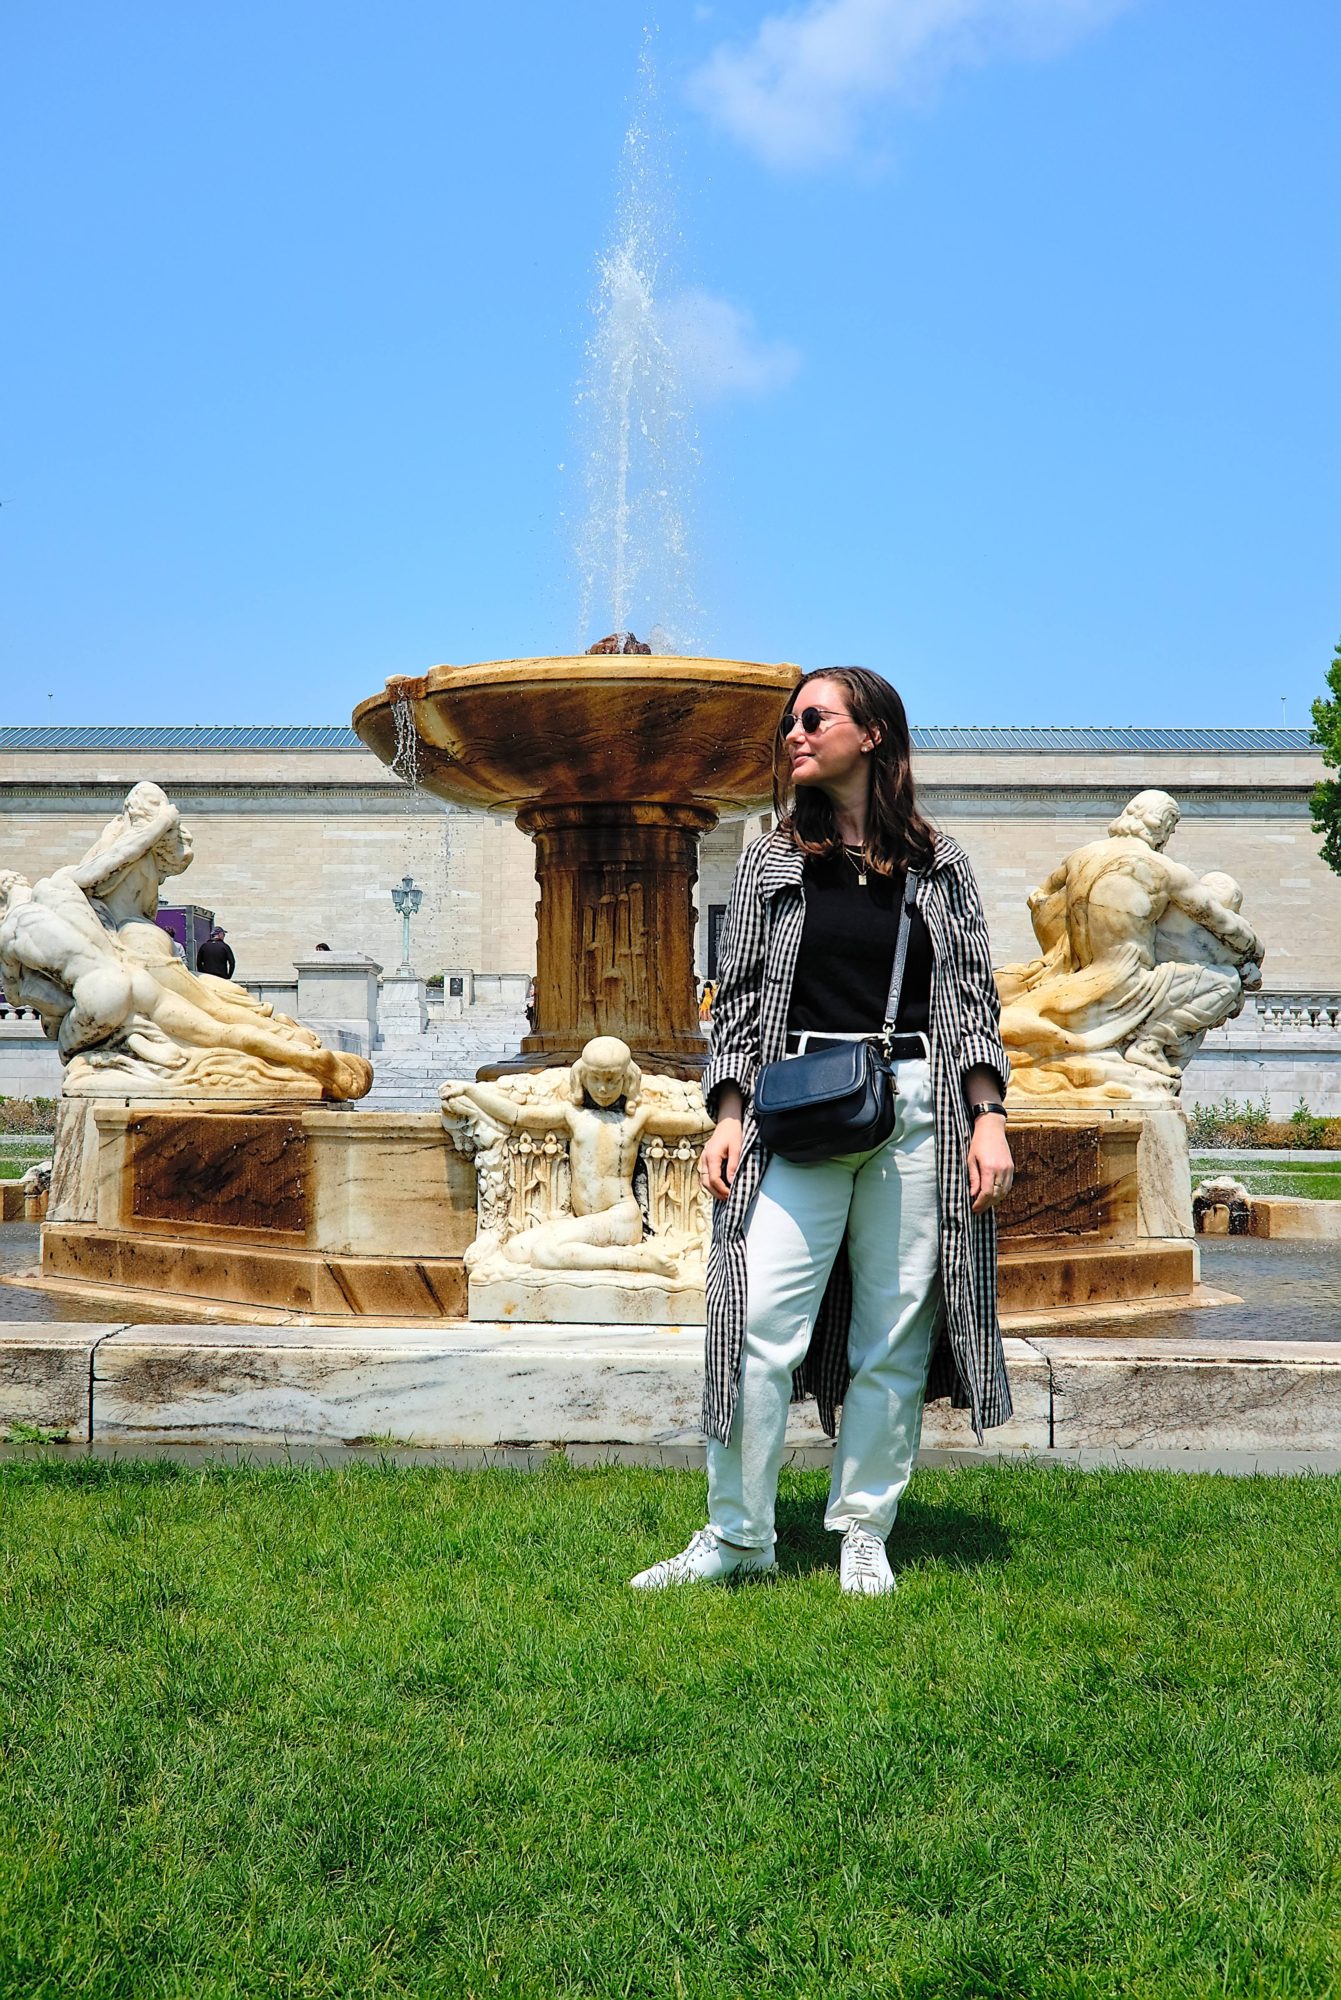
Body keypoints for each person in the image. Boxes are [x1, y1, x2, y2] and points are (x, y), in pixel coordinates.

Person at [631, 667, 1015, 1597]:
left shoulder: (937, 862)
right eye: (790, 722)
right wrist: (725, 1115)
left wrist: (987, 1115)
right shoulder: (771, 859)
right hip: (796, 1101)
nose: (795, 734)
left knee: (893, 1332)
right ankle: (736, 1536)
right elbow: (737, 1001)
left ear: (871, 734)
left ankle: (861, 1527)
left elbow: (970, 994)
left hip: (916, 1105)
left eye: (815, 718)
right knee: (758, 1321)